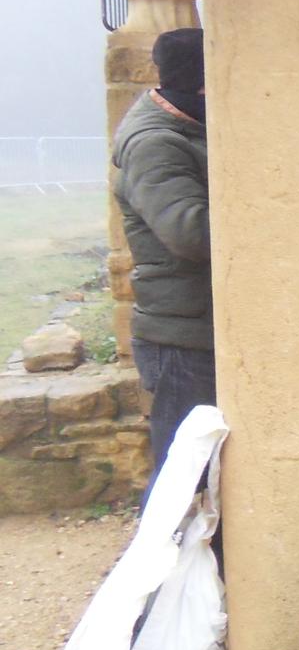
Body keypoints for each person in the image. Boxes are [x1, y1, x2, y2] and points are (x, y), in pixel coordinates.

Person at [113, 29, 214, 489]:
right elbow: (189, 232)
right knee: (181, 482)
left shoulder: (188, 127)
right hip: (181, 340)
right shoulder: (156, 143)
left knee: (203, 474)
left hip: (196, 327)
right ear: (202, 81)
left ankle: (208, 562)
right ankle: (163, 563)